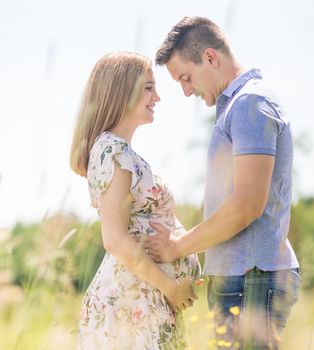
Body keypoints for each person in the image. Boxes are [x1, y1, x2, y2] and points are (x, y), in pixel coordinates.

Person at [145, 17, 301, 349]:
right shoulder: (236, 106)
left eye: (186, 78)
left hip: (253, 278)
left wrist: (177, 246)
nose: (186, 91)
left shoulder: (249, 104)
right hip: (243, 278)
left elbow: (247, 204)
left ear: (211, 58)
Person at [70, 52, 200, 350]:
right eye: (148, 88)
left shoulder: (121, 152)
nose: (158, 97)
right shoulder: (113, 150)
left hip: (143, 296)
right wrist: (171, 288)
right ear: (121, 91)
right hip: (132, 300)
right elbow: (114, 238)